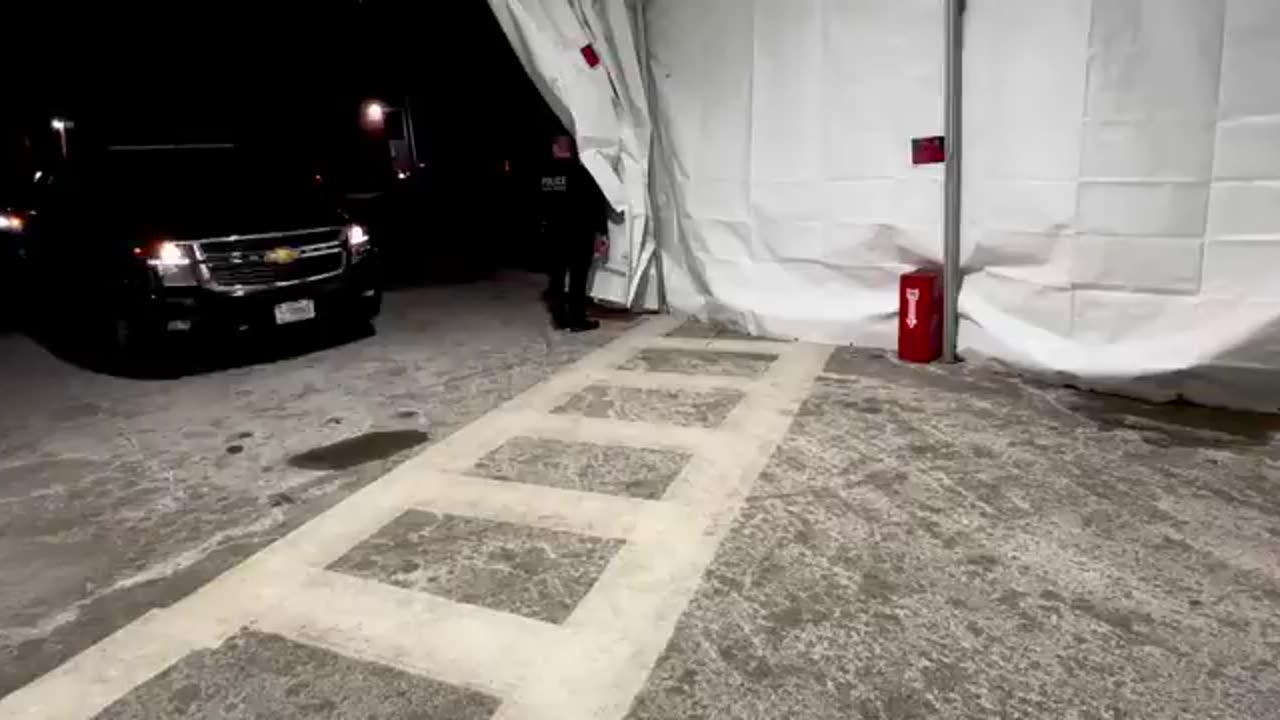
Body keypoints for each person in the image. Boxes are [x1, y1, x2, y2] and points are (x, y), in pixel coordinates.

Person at [539, 134, 608, 331]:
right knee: (578, 279)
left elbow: (537, 204)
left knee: (556, 278)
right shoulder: (582, 173)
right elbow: (595, 204)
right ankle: (577, 319)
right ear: (571, 149)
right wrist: (602, 232)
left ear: (555, 149)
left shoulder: (544, 175)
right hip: (579, 234)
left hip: (553, 233)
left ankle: (559, 319)